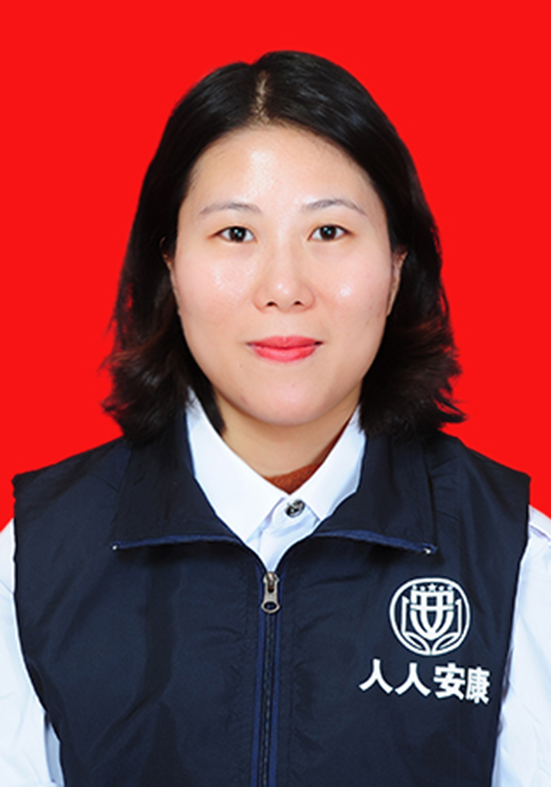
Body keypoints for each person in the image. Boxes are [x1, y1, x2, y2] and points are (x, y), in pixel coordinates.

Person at [1, 51, 549, 787]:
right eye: (235, 233)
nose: (284, 287)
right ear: (170, 266)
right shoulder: (33, 561)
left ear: (396, 267)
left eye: (329, 232)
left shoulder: (515, 561)